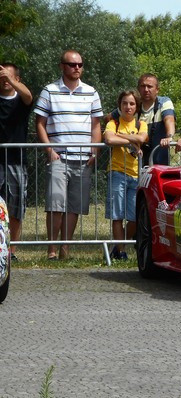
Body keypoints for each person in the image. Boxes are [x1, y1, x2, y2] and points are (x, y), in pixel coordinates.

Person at [34, 50, 103, 260]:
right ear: (62, 66)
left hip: (83, 158)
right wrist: (49, 150)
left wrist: (95, 150)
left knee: (75, 207)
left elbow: (96, 124)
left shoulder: (91, 92)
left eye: (80, 64)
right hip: (59, 157)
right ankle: (52, 251)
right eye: (72, 64)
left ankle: (65, 250)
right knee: (55, 204)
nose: (77, 68)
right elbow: (40, 123)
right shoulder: (49, 91)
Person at [103, 90, 148, 260]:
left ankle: (118, 245)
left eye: (131, 104)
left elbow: (142, 138)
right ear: (120, 105)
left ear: (136, 107)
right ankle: (121, 251)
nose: (128, 107)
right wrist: (132, 140)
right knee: (117, 215)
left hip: (136, 175)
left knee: (134, 217)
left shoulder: (140, 124)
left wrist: (126, 138)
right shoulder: (113, 123)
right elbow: (109, 139)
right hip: (117, 172)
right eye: (124, 103)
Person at [0, 63, 32, 262]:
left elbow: (29, 96)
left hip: (16, 161)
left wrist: (10, 78)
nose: (4, 80)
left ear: (17, 79)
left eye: (9, 77)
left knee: (16, 207)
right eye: (2, 77)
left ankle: (12, 252)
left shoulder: (21, 100)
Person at [108, 73, 175, 166]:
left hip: (159, 160)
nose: (146, 90)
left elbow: (169, 120)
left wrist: (169, 137)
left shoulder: (163, 102)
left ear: (157, 90)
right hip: (134, 163)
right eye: (143, 86)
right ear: (138, 88)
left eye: (149, 86)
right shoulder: (131, 105)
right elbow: (108, 118)